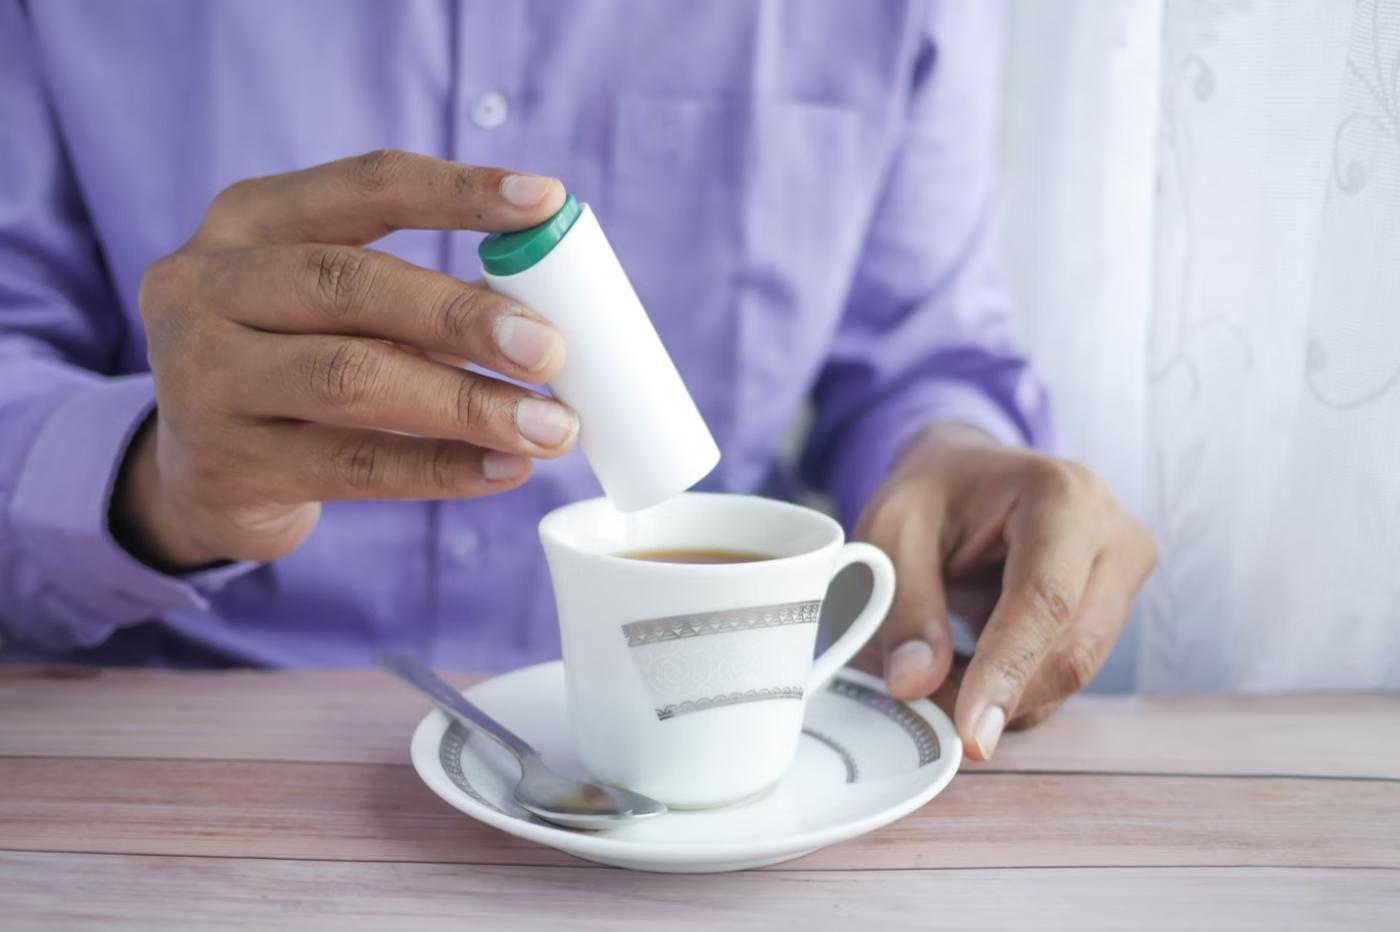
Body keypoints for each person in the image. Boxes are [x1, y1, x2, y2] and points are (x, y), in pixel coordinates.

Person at [0, 0, 1154, 761]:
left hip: (706, 757)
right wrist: (160, 481)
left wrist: (951, 461)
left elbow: (915, 354)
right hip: (196, 749)